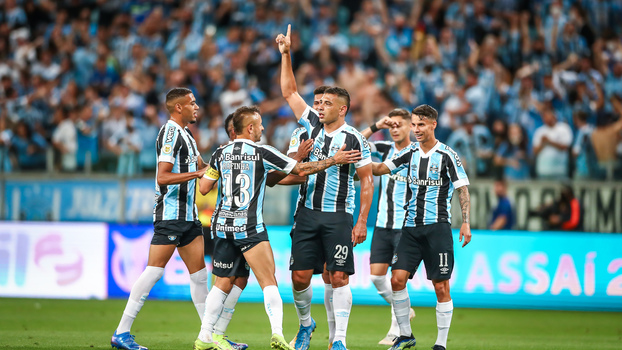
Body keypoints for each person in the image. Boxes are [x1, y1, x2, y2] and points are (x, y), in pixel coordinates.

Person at [194, 105, 362, 350]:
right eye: (260, 124)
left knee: (222, 282)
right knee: (268, 281)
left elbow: (204, 187)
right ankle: (278, 334)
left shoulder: (220, 153)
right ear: (250, 128)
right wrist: (333, 160)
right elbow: (301, 170)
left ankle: (205, 337)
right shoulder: (262, 151)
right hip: (249, 226)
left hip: (221, 226)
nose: (263, 127)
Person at [277, 25, 374, 350]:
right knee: (300, 277)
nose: (319, 107)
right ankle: (306, 325)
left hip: (338, 217)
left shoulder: (355, 139)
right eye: (319, 102)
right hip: (306, 214)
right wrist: (287, 54)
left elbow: (366, 179)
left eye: (327, 103)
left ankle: (340, 340)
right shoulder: (310, 125)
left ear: (342, 109)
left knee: (338, 277)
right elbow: (290, 92)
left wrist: (361, 220)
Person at [111, 87, 209, 350]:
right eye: (192, 102)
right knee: (154, 272)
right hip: (170, 215)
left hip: (189, 216)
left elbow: (203, 168)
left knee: (200, 277)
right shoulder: (170, 133)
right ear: (179, 107)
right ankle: (121, 332)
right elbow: (163, 177)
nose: (196, 106)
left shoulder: (187, 134)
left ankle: (209, 335)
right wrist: (196, 175)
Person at [371, 104, 472, 350]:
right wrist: (351, 163)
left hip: (437, 228)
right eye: (414, 124)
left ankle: (440, 343)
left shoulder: (447, 154)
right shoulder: (410, 152)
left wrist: (466, 222)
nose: (416, 129)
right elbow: (381, 168)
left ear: (433, 125)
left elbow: (462, 189)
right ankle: (405, 335)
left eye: (421, 125)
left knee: (440, 285)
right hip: (410, 229)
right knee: (396, 279)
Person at [359, 108, 416, 345]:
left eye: (399, 125)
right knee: (375, 277)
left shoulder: (418, 153)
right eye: (391, 126)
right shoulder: (384, 149)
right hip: (382, 224)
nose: (394, 129)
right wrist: (375, 127)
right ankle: (403, 307)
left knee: (396, 279)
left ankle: (395, 331)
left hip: (406, 226)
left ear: (411, 126)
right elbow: (356, 143)